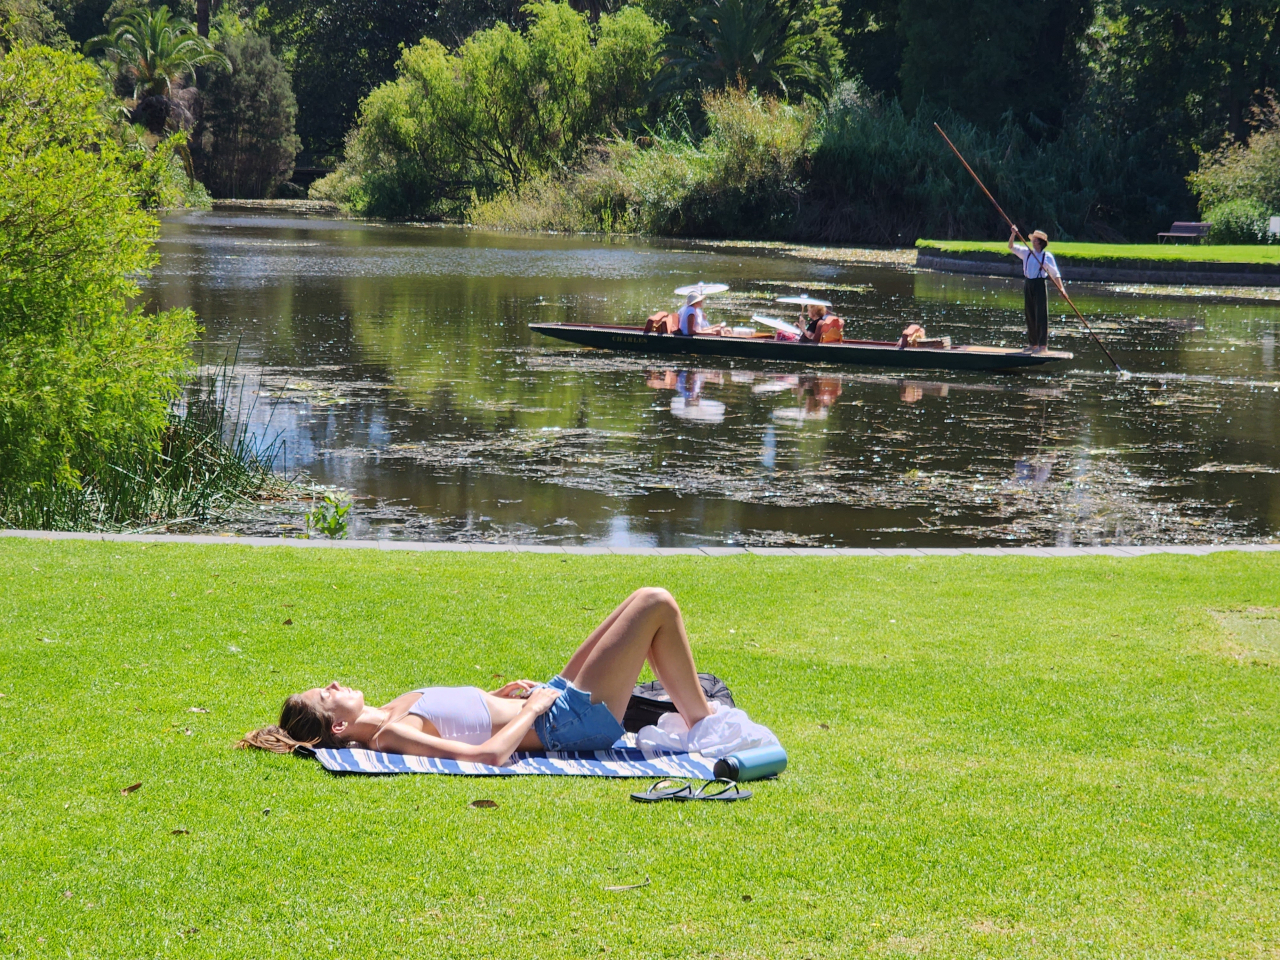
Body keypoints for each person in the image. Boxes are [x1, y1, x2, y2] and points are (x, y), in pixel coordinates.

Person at [238, 588, 714, 765]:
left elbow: (463, 718)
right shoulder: (390, 735)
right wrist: (528, 711)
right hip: (564, 722)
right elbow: (488, 755)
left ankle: (701, 719)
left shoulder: (389, 710)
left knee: (637, 603)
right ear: (338, 727)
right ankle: (707, 727)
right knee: (656, 604)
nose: (336, 684)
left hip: (550, 703)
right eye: (328, 694)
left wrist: (496, 697)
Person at [1008, 227, 1061, 354]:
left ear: (1040, 242)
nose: (1032, 241)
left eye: (1035, 240)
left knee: (1040, 314)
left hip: (1039, 284)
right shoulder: (1026, 252)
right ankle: (1033, 343)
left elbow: (1055, 273)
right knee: (1029, 313)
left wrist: (1061, 289)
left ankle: (1042, 346)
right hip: (1028, 283)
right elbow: (1011, 246)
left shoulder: (1046, 256)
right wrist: (1013, 234)